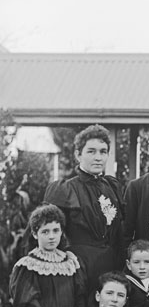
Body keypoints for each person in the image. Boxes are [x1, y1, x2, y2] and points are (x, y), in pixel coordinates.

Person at [43, 124, 125, 293]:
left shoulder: (113, 187)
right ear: (78, 155)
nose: (98, 157)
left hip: (112, 271)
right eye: (91, 151)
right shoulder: (65, 190)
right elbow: (48, 234)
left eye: (103, 152)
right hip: (78, 270)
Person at [8, 204, 87, 307]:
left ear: (61, 232)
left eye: (56, 230)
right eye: (45, 231)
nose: (51, 236)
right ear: (35, 234)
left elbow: (80, 297)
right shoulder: (28, 265)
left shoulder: (71, 262)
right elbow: (27, 302)